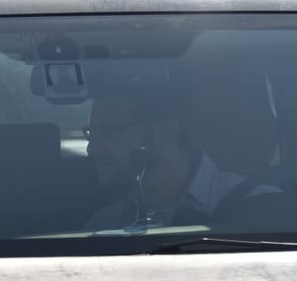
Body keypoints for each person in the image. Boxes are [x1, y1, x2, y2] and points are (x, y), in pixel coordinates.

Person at [82, 87, 277, 230]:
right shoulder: (106, 223)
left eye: (109, 132)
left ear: (164, 132)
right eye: (91, 133)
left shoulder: (263, 207)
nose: (92, 149)